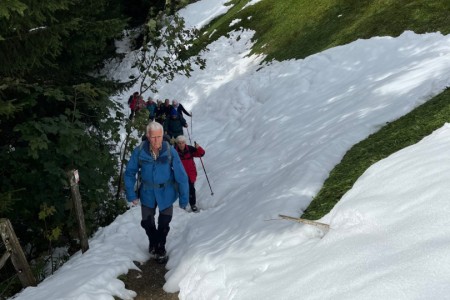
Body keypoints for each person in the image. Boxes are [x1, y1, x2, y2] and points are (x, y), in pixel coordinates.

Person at [124, 122, 189, 263]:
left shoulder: (170, 151)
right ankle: (153, 241)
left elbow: (181, 176)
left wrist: (184, 198)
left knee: (164, 223)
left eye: (159, 137)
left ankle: (160, 247)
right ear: (148, 136)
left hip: (166, 192)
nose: (157, 140)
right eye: (153, 137)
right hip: (147, 192)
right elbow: (129, 173)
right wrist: (131, 194)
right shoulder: (140, 151)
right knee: (147, 223)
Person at [175, 135, 205, 212]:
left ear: (185, 143)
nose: (181, 144)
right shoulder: (174, 150)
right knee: (182, 189)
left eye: (182, 143)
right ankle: (183, 204)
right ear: (177, 143)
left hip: (190, 173)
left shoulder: (190, 149)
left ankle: (193, 204)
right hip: (180, 173)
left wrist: (198, 148)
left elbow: (201, 154)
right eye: (179, 143)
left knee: (191, 188)